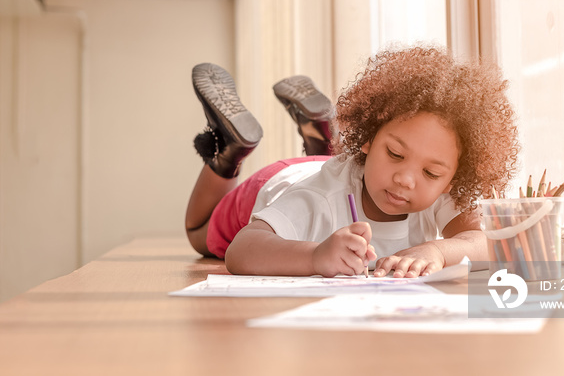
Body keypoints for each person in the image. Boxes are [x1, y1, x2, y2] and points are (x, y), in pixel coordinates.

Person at [184, 46, 519, 278]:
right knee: (200, 233)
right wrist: (314, 257)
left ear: (450, 179)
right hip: (282, 180)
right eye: (395, 154)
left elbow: (492, 240)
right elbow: (241, 250)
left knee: (348, 168)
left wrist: (437, 251)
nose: (406, 178)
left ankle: (322, 138)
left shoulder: (438, 194)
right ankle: (227, 152)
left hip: (340, 164)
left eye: (431, 172)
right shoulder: (315, 198)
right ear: (369, 138)